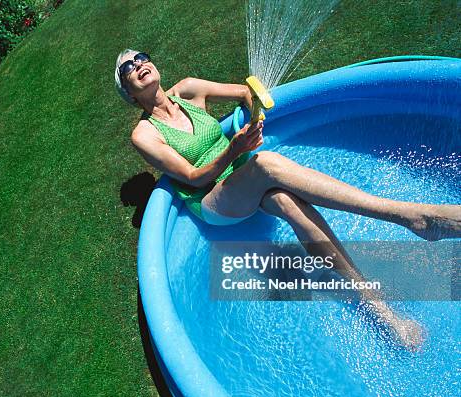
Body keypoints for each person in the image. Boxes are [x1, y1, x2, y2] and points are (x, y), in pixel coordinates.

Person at [115, 49, 461, 350]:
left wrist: (256, 117)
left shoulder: (189, 90)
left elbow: (245, 93)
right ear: (129, 93)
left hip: (243, 176)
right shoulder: (144, 134)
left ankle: (379, 309)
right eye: (128, 67)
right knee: (266, 164)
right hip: (214, 201)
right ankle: (413, 216)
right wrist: (235, 148)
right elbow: (193, 177)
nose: (138, 64)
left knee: (288, 204)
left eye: (141, 58)